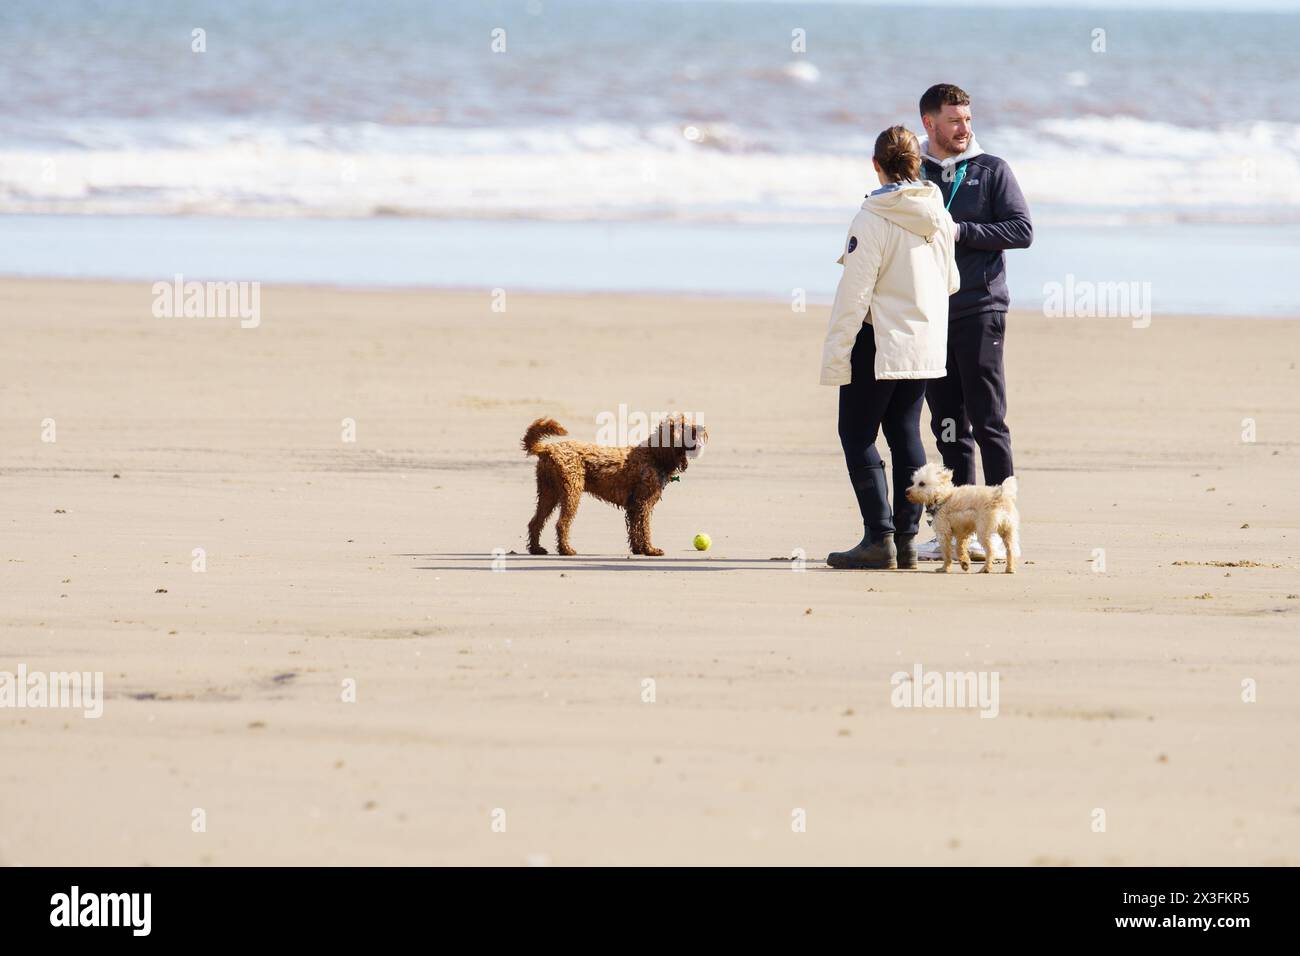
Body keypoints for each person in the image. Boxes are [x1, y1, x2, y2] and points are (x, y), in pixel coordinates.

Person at [820, 126, 959, 570]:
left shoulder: (873, 216)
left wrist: (837, 353)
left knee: (857, 434)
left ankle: (879, 539)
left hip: (879, 339)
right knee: (904, 432)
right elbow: (951, 281)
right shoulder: (937, 213)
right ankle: (907, 540)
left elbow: (854, 295)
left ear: (875, 164)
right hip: (923, 340)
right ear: (916, 163)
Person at [915, 83, 1032, 561]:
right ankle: (956, 532)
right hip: (930, 314)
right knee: (947, 426)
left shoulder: (992, 169)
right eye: (954, 120)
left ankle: (1004, 533)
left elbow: (1021, 230)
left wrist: (960, 230)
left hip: (981, 310)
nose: (965, 128)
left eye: (968, 119)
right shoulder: (916, 172)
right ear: (930, 124)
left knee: (988, 422)